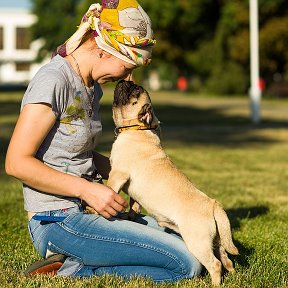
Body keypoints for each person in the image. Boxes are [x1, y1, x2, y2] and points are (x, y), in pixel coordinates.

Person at [5, 0, 202, 282]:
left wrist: (134, 174)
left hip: (87, 211)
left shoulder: (91, 87)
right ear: (104, 49)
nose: (128, 76)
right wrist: (88, 191)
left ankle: (88, 256)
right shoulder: (54, 81)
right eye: (129, 65)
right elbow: (16, 162)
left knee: (190, 239)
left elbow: (78, 155)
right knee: (185, 264)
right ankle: (71, 268)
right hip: (57, 221)